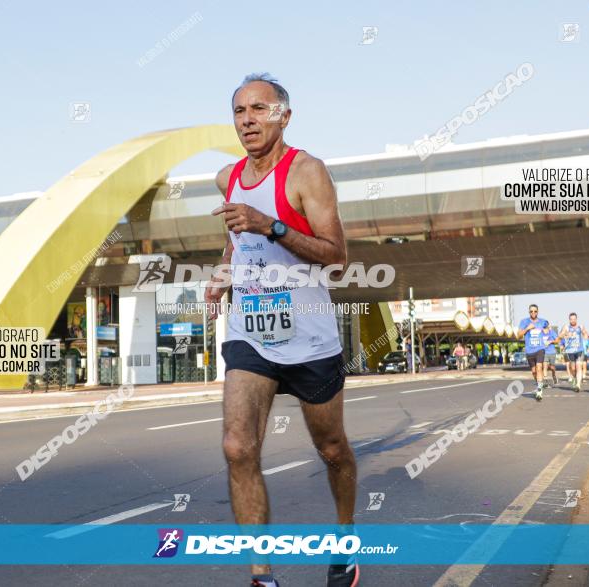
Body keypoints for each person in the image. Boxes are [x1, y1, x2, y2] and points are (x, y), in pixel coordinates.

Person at [204, 73, 357, 587]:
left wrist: (270, 223)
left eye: (258, 109)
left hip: (310, 337)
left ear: (283, 116)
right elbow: (236, 242)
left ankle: (344, 541)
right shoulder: (228, 177)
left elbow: (336, 257)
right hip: (251, 335)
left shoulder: (307, 173)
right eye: (239, 111)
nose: (247, 119)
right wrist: (222, 276)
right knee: (237, 446)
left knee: (332, 448)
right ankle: (262, 575)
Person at [518, 304, 549, 401]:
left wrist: (546, 330)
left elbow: (548, 327)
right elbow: (518, 335)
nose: (533, 313)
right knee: (534, 371)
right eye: (531, 311)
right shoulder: (524, 322)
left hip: (540, 349)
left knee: (539, 368)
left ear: (538, 312)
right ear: (529, 312)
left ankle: (539, 390)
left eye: (535, 311)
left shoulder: (542, 321)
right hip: (529, 350)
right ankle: (539, 384)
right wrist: (527, 328)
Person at [558, 313, 587, 392]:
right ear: (569, 319)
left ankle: (578, 385)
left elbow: (585, 335)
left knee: (578, 366)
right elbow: (560, 336)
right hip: (570, 351)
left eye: (574, 319)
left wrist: (584, 333)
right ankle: (574, 378)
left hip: (579, 350)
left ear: (576, 319)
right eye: (571, 319)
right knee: (573, 368)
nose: (573, 320)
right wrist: (566, 334)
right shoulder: (566, 327)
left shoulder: (580, 326)